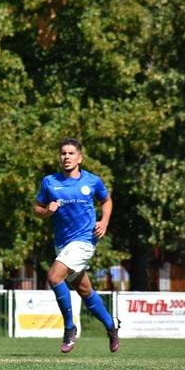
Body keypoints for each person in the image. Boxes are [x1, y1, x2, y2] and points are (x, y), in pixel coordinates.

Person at [34, 138, 120, 354]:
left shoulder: (92, 181)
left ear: (80, 158)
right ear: (59, 157)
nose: (67, 157)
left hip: (85, 240)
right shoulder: (49, 182)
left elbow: (107, 201)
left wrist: (104, 222)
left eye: (71, 153)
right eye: (63, 153)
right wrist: (47, 211)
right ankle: (111, 326)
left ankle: (70, 328)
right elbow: (37, 208)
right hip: (62, 244)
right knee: (85, 290)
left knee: (54, 277)